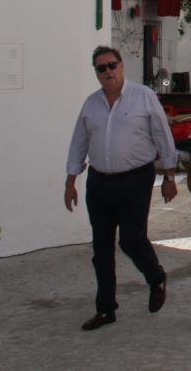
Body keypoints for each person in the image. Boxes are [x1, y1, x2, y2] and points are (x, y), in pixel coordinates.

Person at [64, 46, 177, 331]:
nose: (108, 72)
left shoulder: (143, 97)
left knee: (131, 239)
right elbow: (79, 141)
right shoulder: (91, 104)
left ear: (122, 65)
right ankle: (105, 309)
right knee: (101, 247)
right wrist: (70, 181)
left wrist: (169, 177)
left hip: (135, 179)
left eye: (112, 65)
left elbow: (162, 136)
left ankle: (155, 277)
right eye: (101, 68)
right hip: (99, 181)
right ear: (96, 72)